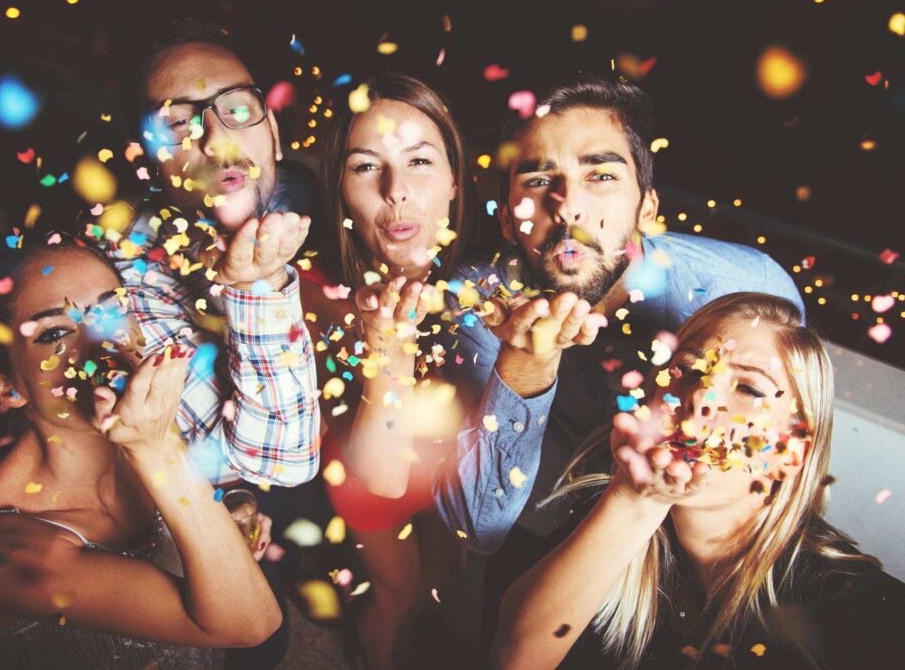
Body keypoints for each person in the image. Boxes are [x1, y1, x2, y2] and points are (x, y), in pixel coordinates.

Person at [432, 74, 806, 638]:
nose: (569, 208)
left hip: (693, 543)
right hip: (545, 538)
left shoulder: (744, 287)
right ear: (508, 218)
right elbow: (479, 528)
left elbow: (787, 440)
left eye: (601, 175)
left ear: (648, 206)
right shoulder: (477, 305)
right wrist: (524, 370)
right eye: (539, 179)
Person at [492, 292, 905, 669]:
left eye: (749, 387)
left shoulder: (853, 609)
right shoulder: (612, 524)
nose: (701, 397)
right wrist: (636, 499)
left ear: (791, 454)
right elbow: (514, 659)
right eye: (688, 369)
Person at [0, 236, 283, 669]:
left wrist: (219, 531)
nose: (103, 343)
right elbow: (251, 625)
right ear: (5, 385)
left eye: (109, 310)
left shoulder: (141, 436)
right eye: (54, 333)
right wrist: (160, 450)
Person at [104, 17, 320, 489]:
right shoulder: (125, 278)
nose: (219, 140)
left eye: (238, 112)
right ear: (144, 160)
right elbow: (278, 465)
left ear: (275, 136)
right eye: (179, 122)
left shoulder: (313, 192)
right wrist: (253, 287)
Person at [300, 73, 470, 668]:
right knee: (398, 595)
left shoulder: (487, 286)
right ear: (340, 190)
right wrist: (387, 350)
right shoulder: (314, 293)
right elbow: (380, 478)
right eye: (366, 167)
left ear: (454, 178)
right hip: (369, 469)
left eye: (420, 161)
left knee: (441, 582)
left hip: (450, 470)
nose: (397, 191)